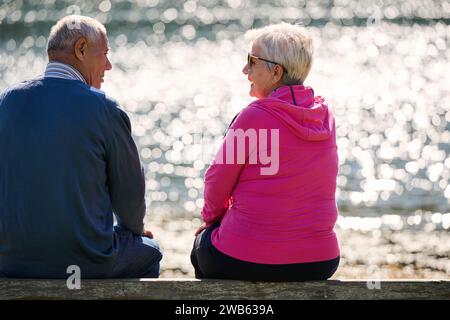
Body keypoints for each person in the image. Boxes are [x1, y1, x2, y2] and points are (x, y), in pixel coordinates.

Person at [0, 15, 162, 278]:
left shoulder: (7, 102)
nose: (108, 65)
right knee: (150, 251)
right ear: (81, 49)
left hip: (10, 262)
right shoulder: (105, 109)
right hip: (84, 262)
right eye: (105, 54)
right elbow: (131, 203)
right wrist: (132, 230)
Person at [191, 22, 340, 281]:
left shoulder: (254, 116)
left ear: (276, 73)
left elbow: (217, 180)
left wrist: (211, 220)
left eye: (252, 61)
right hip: (320, 260)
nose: (245, 69)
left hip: (246, 257)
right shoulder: (325, 116)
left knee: (201, 248)